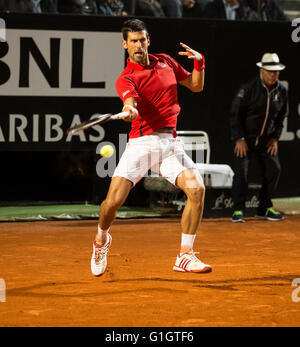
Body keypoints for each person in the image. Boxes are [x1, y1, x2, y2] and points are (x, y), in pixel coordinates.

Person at [91, 18, 212, 276]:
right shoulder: (126, 78)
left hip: (170, 144)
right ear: (125, 44)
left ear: (148, 41)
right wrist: (129, 110)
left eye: (142, 39)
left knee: (197, 190)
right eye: (133, 41)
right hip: (141, 144)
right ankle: (101, 239)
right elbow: (129, 102)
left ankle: (185, 256)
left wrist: (199, 62)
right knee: (112, 203)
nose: (138, 45)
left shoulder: (166, 62)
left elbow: (196, 86)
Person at [230, 53, 288, 223]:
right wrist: (239, 138)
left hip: (266, 141)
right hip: (245, 140)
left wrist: (275, 138)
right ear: (261, 70)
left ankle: (264, 208)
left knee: (274, 169)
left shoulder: (282, 91)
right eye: (269, 71)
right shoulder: (248, 89)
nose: (273, 74)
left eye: (276, 71)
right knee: (242, 172)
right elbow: (235, 115)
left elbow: (281, 117)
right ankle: (238, 210)